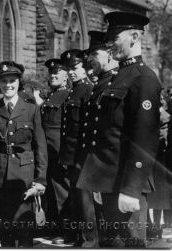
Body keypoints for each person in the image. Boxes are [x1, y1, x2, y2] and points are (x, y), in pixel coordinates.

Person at [76, 12, 161, 247]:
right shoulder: (118, 77)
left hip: (125, 188)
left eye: (114, 38)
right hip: (106, 184)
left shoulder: (144, 79)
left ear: (134, 36)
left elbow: (145, 139)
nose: (109, 44)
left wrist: (132, 189)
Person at [0, 61, 48, 247]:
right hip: (0, 178)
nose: (8, 85)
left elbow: (40, 146)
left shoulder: (31, 109)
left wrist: (40, 180)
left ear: (19, 83)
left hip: (25, 177)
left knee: (25, 234)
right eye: (4, 81)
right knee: (5, 235)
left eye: (12, 80)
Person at [74, 30, 120, 248]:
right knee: (90, 213)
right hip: (91, 159)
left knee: (111, 223)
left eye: (94, 54)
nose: (89, 60)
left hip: (108, 162)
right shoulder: (100, 84)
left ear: (109, 53)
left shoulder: (117, 82)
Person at [58, 48, 93, 246]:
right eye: (69, 69)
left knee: (85, 203)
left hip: (82, 156)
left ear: (85, 67)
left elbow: (86, 129)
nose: (72, 72)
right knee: (77, 202)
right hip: (72, 155)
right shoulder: (74, 90)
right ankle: (80, 239)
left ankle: (89, 242)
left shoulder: (88, 89)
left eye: (76, 67)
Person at [41, 58, 71, 242]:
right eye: (51, 73)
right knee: (51, 190)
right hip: (48, 151)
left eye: (57, 72)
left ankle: (66, 230)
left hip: (59, 151)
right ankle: (53, 226)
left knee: (62, 190)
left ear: (66, 75)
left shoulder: (68, 95)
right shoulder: (50, 96)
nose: (53, 75)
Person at [147, 91, 172, 239]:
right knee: (153, 196)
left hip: (159, 158)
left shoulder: (164, 115)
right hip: (152, 157)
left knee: (158, 196)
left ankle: (156, 227)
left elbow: (163, 135)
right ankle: (153, 226)